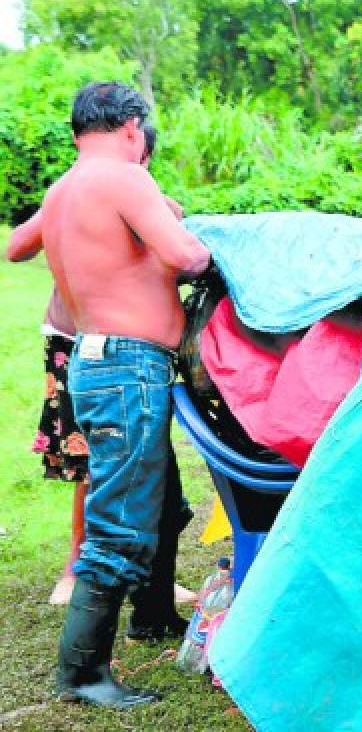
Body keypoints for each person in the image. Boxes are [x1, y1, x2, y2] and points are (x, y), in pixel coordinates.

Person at [6, 81, 211, 709]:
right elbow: (188, 257)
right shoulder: (124, 178)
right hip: (126, 366)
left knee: (164, 501)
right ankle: (83, 672)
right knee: (120, 521)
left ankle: (151, 616)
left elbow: (30, 249)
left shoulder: (63, 188)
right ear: (130, 127)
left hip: (97, 360)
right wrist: (195, 236)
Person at [14, 123, 196, 609]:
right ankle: (78, 577)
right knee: (104, 470)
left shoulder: (72, 190)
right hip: (101, 346)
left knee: (141, 476)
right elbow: (185, 256)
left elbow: (16, 246)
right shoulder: (108, 187)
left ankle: (150, 604)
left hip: (91, 343)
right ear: (133, 141)